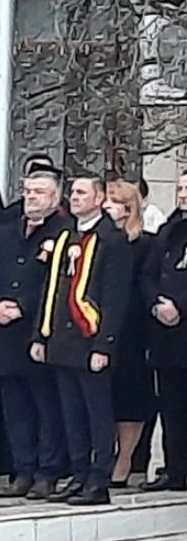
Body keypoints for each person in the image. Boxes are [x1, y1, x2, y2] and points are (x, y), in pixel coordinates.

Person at [31, 175, 132, 505]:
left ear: (100, 197)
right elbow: (52, 291)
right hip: (62, 340)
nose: (74, 198)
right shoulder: (66, 235)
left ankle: (97, 479)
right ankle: (77, 473)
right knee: (70, 414)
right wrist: (40, 335)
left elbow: (115, 299)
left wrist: (105, 345)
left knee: (96, 414)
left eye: (81, 192)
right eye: (72, 192)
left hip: (90, 340)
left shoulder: (111, 239)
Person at [0, 166, 70, 499]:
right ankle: (23, 469)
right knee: (15, 406)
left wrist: (22, 305)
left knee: (45, 406)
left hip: (37, 329)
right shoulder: (7, 231)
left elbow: (55, 282)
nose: (32, 197)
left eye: (40, 192)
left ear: (56, 197)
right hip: (4, 330)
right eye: (29, 191)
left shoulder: (64, 232)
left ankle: (48, 471)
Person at [102, 180, 154, 488]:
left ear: (128, 208)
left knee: (129, 396)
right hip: (102, 325)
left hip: (133, 329)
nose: (107, 206)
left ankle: (125, 460)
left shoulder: (144, 244)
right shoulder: (101, 240)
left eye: (113, 201)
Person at [142, 170, 187, 492]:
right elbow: (148, 272)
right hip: (167, 335)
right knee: (171, 405)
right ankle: (175, 468)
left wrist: (179, 307)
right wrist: (157, 303)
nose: (182, 194)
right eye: (181, 188)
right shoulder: (170, 229)